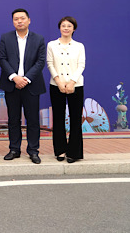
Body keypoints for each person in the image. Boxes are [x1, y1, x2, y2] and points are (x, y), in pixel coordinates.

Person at [0, 8, 46, 164]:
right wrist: (15, 77)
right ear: (13, 22)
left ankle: (33, 150)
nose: (19, 21)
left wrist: (26, 79)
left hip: (31, 85)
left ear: (29, 20)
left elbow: (40, 61)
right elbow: (2, 59)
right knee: (13, 119)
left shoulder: (38, 39)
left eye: (22, 18)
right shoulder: (6, 38)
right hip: (12, 84)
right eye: (16, 19)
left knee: (33, 120)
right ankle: (14, 149)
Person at [47, 16, 85, 163]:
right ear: (59, 28)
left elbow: (81, 65)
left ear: (74, 29)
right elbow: (50, 63)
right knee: (58, 118)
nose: (66, 28)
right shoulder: (52, 45)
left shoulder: (79, 46)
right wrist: (58, 81)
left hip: (76, 85)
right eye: (63, 26)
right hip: (56, 85)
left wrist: (72, 82)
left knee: (76, 119)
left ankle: (74, 152)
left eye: (69, 26)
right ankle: (60, 150)